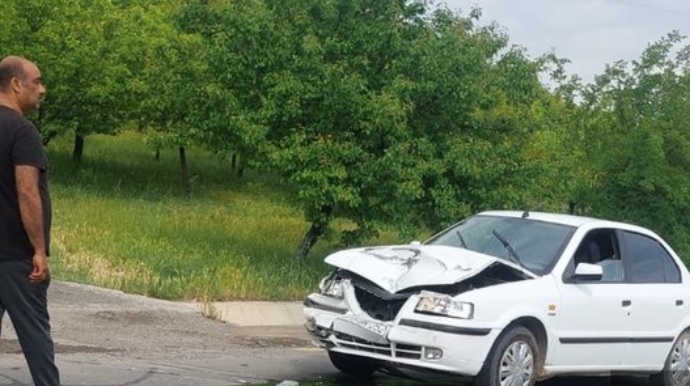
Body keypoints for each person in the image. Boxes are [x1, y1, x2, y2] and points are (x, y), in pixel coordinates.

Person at [0, 55, 60, 386]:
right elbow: (27, 192)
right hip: (17, 260)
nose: (42, 89)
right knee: (37, 341)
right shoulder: (23, 131)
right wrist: (39, 249)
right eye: (36, 82)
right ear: (15, 84)